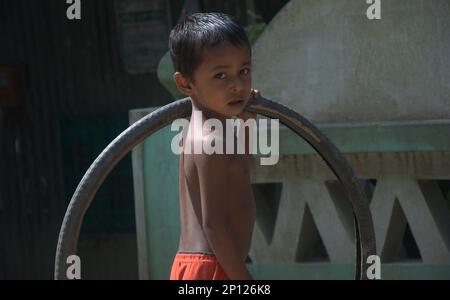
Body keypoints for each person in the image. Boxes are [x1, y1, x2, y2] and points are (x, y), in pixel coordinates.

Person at [168, 12, 261, 280]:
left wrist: (247, 122)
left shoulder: (210, 130)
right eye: (221, 76)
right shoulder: (210, 140)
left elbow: (241, 170)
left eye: (243, 71)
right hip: (211, 267)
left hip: (208, 264)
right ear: (185, 83)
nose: (237, 85)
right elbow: (214, 226)